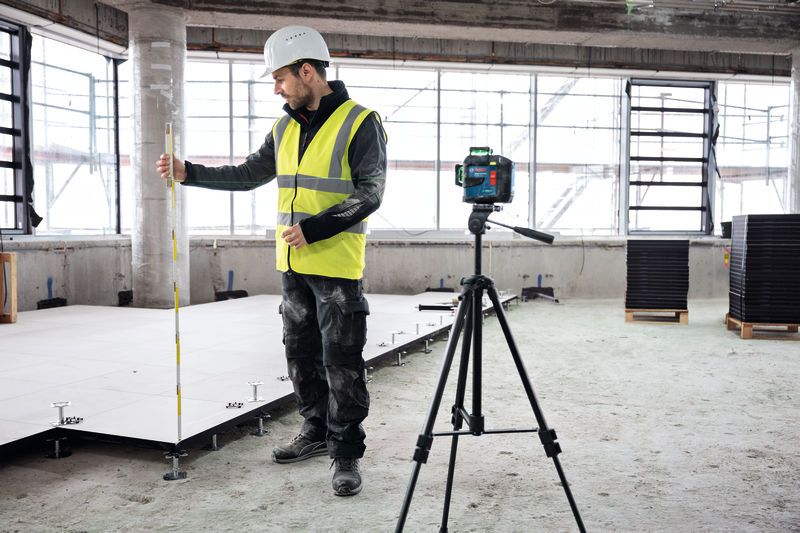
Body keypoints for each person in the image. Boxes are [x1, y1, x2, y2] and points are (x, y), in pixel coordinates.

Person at [155, 25, 387, 497]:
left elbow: (370, 193)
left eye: (280, 78)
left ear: (308, 72)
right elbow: (247, 174)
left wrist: (316, 227)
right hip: (292, 267)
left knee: (340, 361)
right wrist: (190, 173)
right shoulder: (284, 127)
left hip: (337, 268)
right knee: (299, 355)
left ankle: (345, 454)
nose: (276, 88)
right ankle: (315, 433)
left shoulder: (361, 122)